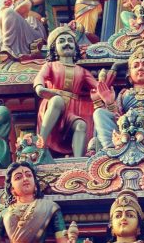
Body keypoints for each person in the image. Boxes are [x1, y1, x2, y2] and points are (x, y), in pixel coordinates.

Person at [33, 24, 99, 158]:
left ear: (75, 48)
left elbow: (97, 87)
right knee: (57, 100)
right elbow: (40, 77)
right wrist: (39, 87)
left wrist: (104, 84)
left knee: (81, 125)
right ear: (54, 49)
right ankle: (40, 145)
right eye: (61, 41)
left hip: (72, 110)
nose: (67, 44)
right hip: (53, 104)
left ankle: (78, 160)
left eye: (70, 41)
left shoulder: (82, 71)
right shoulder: (50, 65)